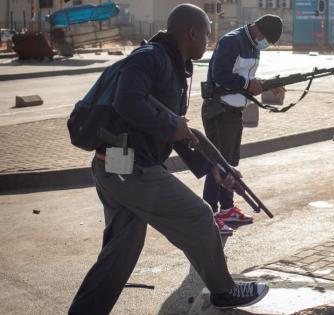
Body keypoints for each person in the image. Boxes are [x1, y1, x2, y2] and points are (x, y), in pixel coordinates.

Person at [68, 5, 268, 314]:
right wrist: (170, 126)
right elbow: (128, 101)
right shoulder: (150, 57)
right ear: (191, 32)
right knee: (199, 217)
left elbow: (177, 130)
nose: (209, 40)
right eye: (207, 33)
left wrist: (213, 168)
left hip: (119, 166)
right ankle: (224, 291)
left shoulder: (173, 65)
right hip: (128, 167)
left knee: (120, 253)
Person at [201, 15, 284, 235]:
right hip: (219, 110)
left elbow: (247, 78)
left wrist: (267, 85)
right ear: (259, 31)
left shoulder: (253, 45)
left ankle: (227, 209)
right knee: (217, 166)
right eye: (266, 39)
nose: (265, 45)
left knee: (228, 165)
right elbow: (220, 76)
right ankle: (209, 215)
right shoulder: (232, 41)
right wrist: (250, 84)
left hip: (234, 110)